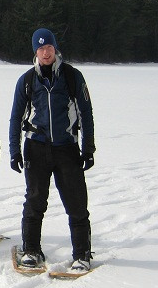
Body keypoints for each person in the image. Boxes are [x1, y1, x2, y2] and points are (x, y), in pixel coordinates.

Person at [9, 28, 95, 272]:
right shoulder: (26, 80)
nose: (45, 52)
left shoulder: (72, 76)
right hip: (36, 148)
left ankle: (82, 254)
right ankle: (32, 250)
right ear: (35, 51)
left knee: (76, 203)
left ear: (55, 49)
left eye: (49, 48)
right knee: (35, 201)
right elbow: (16, 117)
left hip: (66, 148)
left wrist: (88, 148)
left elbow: (85, 114)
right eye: (41, 48)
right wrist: (15, 150)